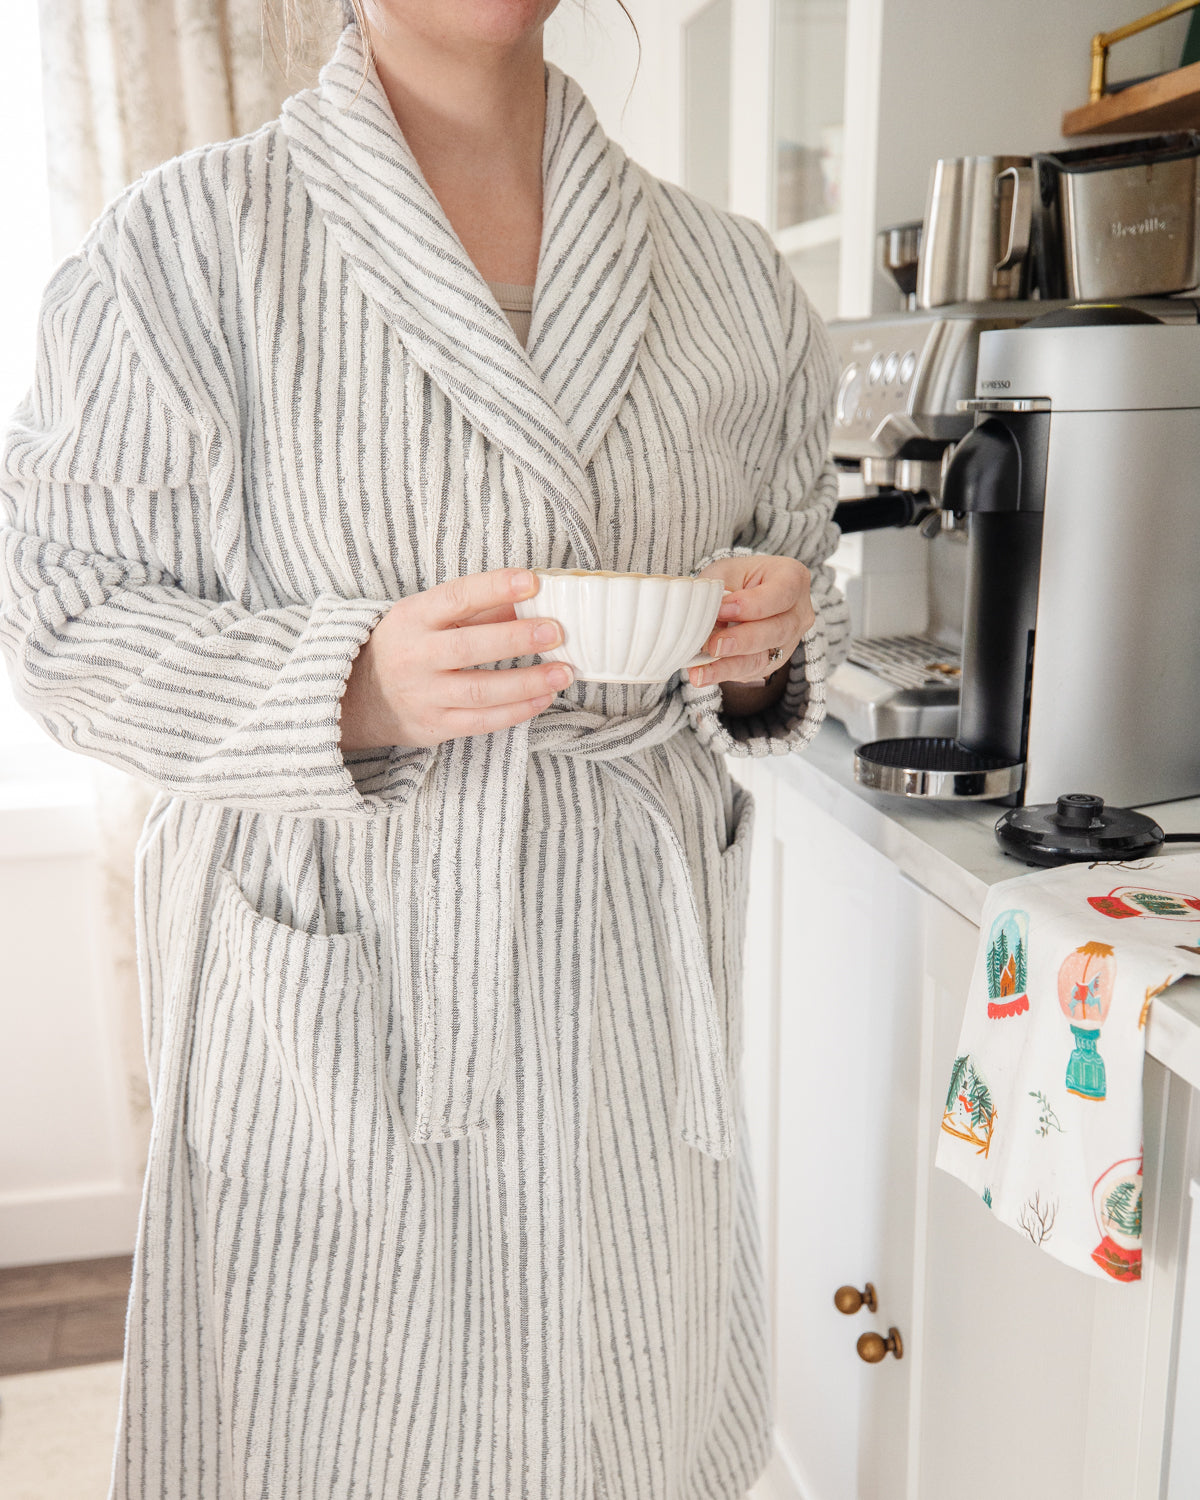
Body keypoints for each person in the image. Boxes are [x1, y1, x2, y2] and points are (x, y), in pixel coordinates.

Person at [0, 0, 849, 1495]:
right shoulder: (189, 245)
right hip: (342, 986)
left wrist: (772, 644)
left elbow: (794, 590)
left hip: (623, 998)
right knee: (336, 1427)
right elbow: (65, 627)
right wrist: (355, 687)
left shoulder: (732, 277)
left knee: (624, 1410)